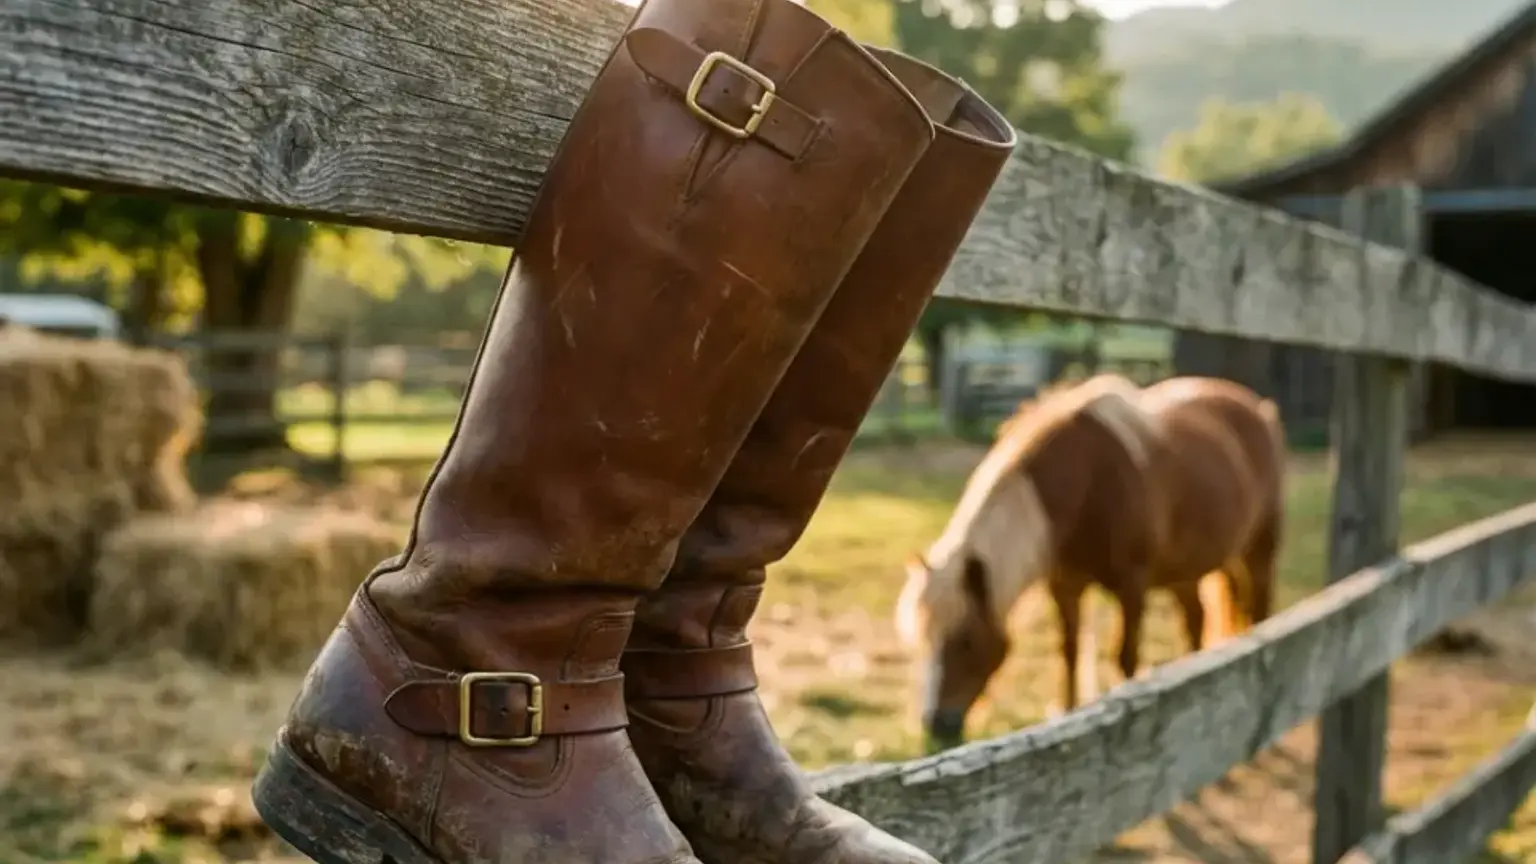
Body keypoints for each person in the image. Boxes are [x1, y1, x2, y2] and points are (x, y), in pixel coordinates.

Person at [250, 0, 1014, 861]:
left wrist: (694, 659)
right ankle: (465, 669)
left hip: (624, 703)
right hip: (473, 696)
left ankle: (664, 686)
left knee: (694, 600)